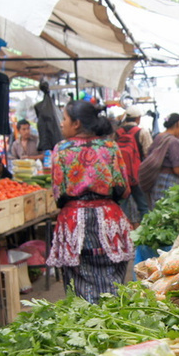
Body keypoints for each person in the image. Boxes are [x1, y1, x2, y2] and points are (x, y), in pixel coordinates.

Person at [46, 100, 133, 302]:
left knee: (79, 284)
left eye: (65, 119)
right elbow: (123, 188)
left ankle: (88, 326)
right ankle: (114, 321)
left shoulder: (61, 149)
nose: (61, 123)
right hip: (109, 220)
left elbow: (58, 193)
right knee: (113, 282)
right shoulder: (111, 147)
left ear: (76, 123)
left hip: (74, 222)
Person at [139, 113, 179, 206]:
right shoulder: (173, 142)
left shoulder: (158, 137)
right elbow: (177, 169)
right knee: (167, 211)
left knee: (156, 211)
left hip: (156, 179)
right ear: (178, 123)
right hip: (167, 182)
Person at [114, 106, 150, 225]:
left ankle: (124, 231)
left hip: (121, 176)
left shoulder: (117, 133)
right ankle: (146, 231)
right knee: (143, 206)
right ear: (138, 118)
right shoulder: (142, 132)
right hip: (137, 175)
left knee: (122, 207)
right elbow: (148, 153)